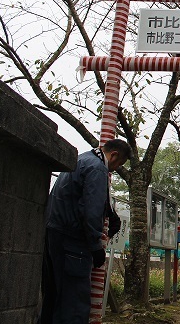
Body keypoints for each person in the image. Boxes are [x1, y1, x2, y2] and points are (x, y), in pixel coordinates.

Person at [39, 138, 131, 324]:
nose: (114, 169)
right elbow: (92, 211)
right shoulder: (97, 168)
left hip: (53, 234)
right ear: (114, 154)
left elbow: (82, 198)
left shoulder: (81, 160)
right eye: (118, 164)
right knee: (74, 301)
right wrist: (96, 244)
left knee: (53, 296)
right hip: (72, 241)